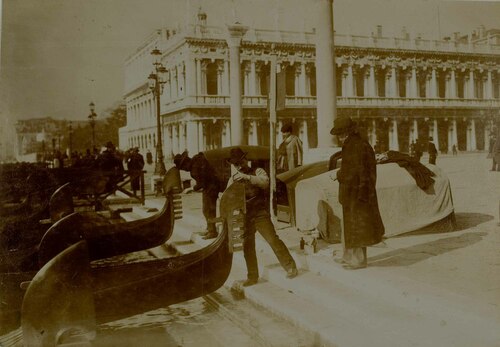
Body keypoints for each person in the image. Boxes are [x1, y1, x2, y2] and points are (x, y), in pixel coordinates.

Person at [226, 147, 298, 286]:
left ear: (246, 160)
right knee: (248, 246)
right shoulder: (232, 179)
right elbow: (227, 197)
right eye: (236, 164)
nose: (239, 166)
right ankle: (252, 276)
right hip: (245, 216)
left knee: (272, 240)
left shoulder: (257, 171)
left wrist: (248, 177)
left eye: (240, 162)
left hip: (260, 214)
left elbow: (265, 182)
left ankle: (290, 267)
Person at [330, 117, 385, 270]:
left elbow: (351, 172)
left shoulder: (353, 146)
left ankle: (358, 260)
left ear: (346, 133)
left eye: (340, 134)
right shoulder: (359, 143)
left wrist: (338, 175)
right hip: (358, 191)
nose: (339, 138)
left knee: (358, 227)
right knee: (351, 225)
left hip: (357, 193)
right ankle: (348, 256)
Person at [174, 151, 223, 239]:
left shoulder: (194, 168)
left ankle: (212, 232)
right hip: (210, 187)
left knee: (209, 210)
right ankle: (210, 228)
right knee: (206, 209)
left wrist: (191, 189)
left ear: (186, 163)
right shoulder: (196, 161)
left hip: (211, 188)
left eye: (183, 167)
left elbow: (202, 182)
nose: (184, 169)